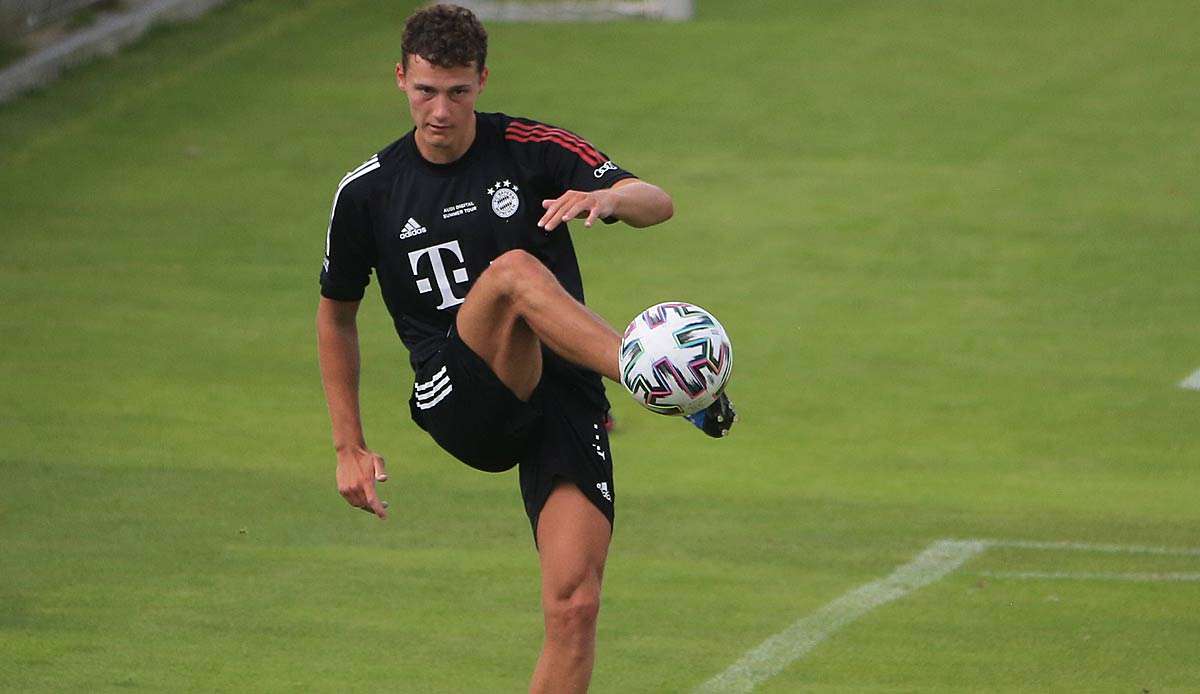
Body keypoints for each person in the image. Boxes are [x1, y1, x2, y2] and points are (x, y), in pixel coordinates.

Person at [316, 4, 735, 691]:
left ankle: (663, 383)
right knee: (512, 274)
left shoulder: (530, 147)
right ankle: (661, 381)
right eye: (426, 91)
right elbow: (336, 317)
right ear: (400, 80)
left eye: (458, 91)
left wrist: (610, 201)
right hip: (458, 396)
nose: (441, 111)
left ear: (482, 80)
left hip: (563, 393)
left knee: (576, 606)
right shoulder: (368, 192)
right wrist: (348, 447)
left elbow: (656, 200)